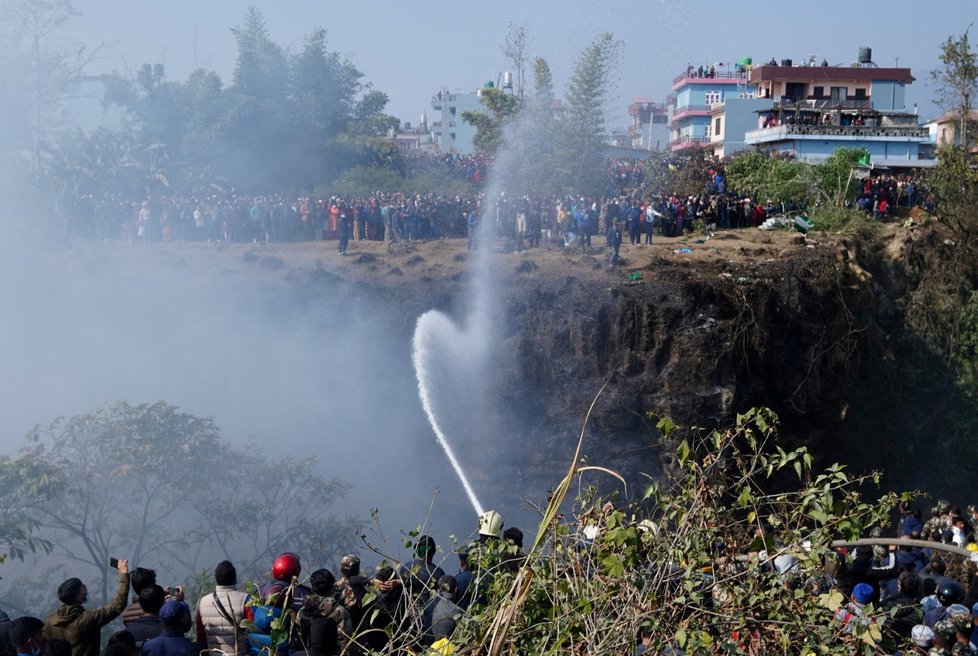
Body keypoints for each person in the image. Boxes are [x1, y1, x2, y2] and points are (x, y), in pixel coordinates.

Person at [43, 559, 131, 656]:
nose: (86, 588)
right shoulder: (88, 619)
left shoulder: (49, 622)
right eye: (83, 588)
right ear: (78, 597)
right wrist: (124, 573)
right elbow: (117, 605)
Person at [194, 561, 249, 656]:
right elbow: (253, 633)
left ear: (216, 578)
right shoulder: (245, 600)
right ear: (234, 578)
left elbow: (201, 638)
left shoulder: (202, 602)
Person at [421, 576, 463, 646]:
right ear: (455, 589)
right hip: (445, 650)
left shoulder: (428, 604)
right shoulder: (457, 610)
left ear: (438, 588)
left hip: (427, 649)